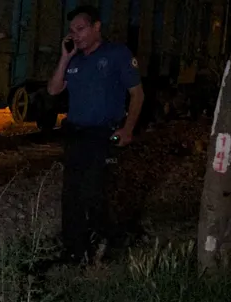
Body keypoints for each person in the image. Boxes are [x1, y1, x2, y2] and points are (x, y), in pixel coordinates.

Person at [47, 5, 144, 264]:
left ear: (97, 27)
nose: (75, 35)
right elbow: (54, 89)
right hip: (75, 134)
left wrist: (128, 129)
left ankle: (110, 239)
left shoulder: (117, 54)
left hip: (102, 134)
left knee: (94, 192)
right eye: (72, 31)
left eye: (80, 29)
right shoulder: (75, 59)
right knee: (71, 194)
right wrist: (65, 57)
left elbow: (137, 94)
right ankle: (74, 250)